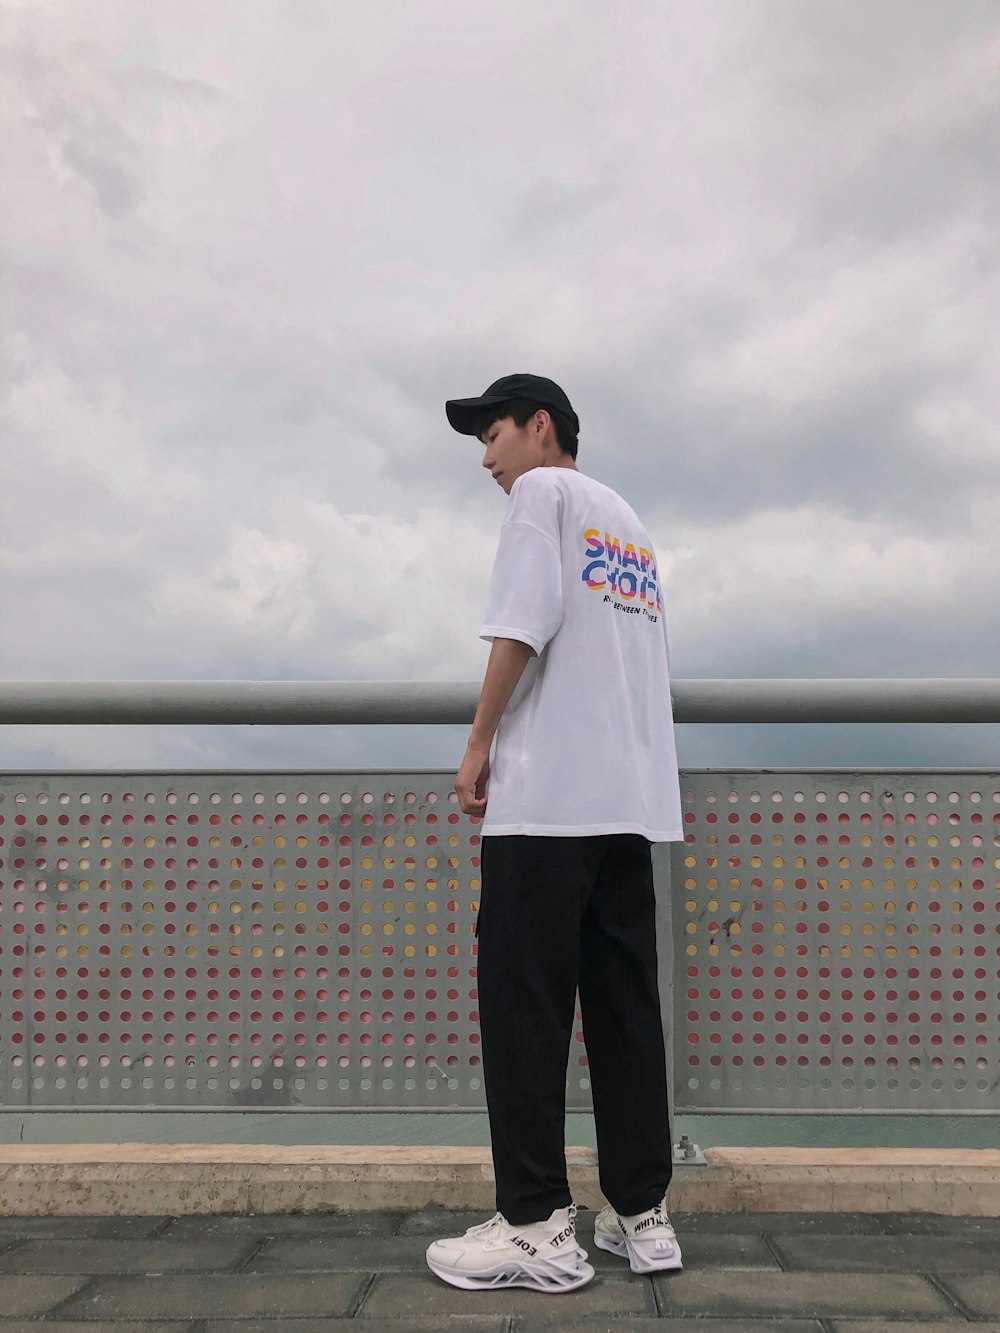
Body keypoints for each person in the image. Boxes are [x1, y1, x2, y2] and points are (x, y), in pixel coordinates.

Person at [425, 373, 684, 1294]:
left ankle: (536, 1224)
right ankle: (642, 1214)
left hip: (547, 806)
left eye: (493, 435)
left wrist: (478, 742)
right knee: (624, 1008)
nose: (488, 460)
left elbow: (520, 629)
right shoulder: (632, 524)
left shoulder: (545, 494)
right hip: (630, 803)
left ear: (542, 427)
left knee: (526, 1007)